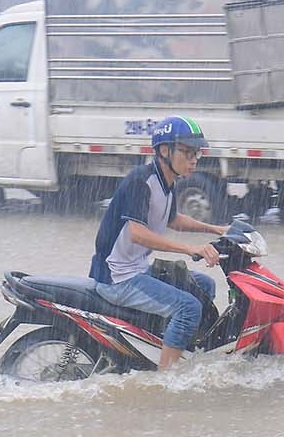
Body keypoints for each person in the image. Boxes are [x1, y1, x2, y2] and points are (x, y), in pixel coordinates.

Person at [89, 116, 229, 370]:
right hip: (118, 277)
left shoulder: (166, 181)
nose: (194, 159)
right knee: (188, 307)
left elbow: (173, 219)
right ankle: (166, 377)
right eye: (187, 152)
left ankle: (166, 344)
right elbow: (137, 233)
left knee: (204, 286)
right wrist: (190, 249)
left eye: (197, 152)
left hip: (137, 268)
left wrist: (215, 228)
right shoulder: (141, 182)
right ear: (165, 150)